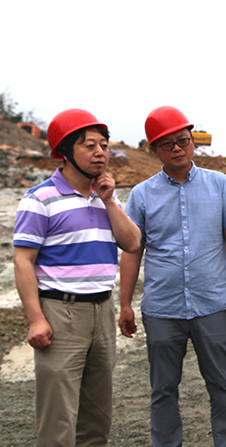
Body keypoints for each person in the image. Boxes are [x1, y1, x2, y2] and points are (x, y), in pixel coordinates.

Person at [118, 106, 226, 447]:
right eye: (168, 144)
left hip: (211, 303)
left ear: (192, 141)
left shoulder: (219, 184)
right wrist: (125, 304)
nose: (178, 149)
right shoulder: (141, 195)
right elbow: (132, 250)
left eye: (183, 140)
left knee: (222, 383)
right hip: (162, 308)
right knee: (163, 389)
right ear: (154, 149)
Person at [13, 109, 141, 447]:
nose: (101, 153)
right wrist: (36, 319)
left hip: (102, 311)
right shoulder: (40, 199)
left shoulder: (106, 197)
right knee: (58, 419)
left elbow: (132, 243)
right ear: (66, 152)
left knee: (97, 418)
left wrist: (109, 200)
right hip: (61, 313)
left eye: (104, 146)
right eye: (89, 146)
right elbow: (23, 261)